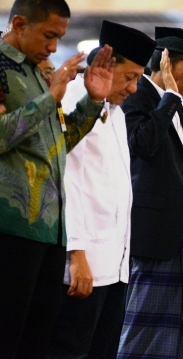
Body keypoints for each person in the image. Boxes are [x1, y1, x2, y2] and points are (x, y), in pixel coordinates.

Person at [0, 0, 115, 356]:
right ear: (19, 24)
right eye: (48, 36)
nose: (53, 47)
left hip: (50, 229)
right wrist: (50, 99)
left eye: (59, 38)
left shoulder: (43, 71)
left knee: (37, 341)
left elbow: (58, 145)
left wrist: (92, 103)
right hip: (12, 228)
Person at [45, 21, 156, 359]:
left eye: (138, 78)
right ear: (103, 67)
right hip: (84, 263)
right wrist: (75, 253)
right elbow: (65, 180)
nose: (135, 88)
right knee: (69, 350)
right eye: (129, 77)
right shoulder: (77, 100)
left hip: (115, 264)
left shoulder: (116, 111)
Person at [117, 26, 183, 358]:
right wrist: (171, 99)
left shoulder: (175, 104)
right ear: (166, 62)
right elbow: (142, 143)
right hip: (157, 223)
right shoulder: (137, 94)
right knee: (145, 324)